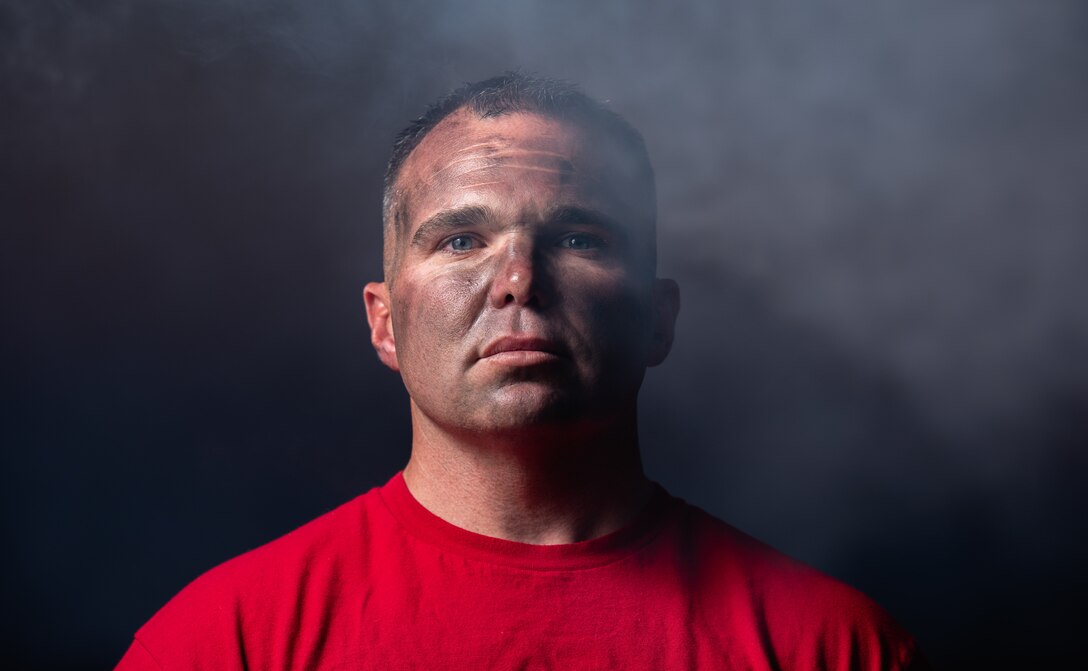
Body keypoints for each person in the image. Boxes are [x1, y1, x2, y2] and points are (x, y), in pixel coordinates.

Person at [116, 73, 928, 670]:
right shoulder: (222, 643)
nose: (517, 280)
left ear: (658, 317)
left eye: (579, 238)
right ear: (384, 321)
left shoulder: (831, 646)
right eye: (461, 240)